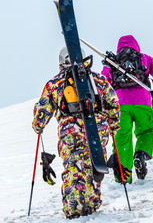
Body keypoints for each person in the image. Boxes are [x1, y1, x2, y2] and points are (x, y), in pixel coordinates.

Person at [32, 47, 121, 219]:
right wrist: (113, 126)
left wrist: (38, 125)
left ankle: (75, 208)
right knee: (94, 164)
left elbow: (42, 111)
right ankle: (92, 203)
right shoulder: (98, 79)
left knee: (74, 166)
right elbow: (113, 102)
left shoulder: (55, 83)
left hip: (70, 131)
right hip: (97, 127)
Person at [101, 35, 153, 183]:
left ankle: (123, 178)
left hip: (120, 106)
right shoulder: (144, 58)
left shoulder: (112, 63)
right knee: (146, 131)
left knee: (121, 139)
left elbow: (102, 84)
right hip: (143, 103)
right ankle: (141, 154)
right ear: (136, 45)